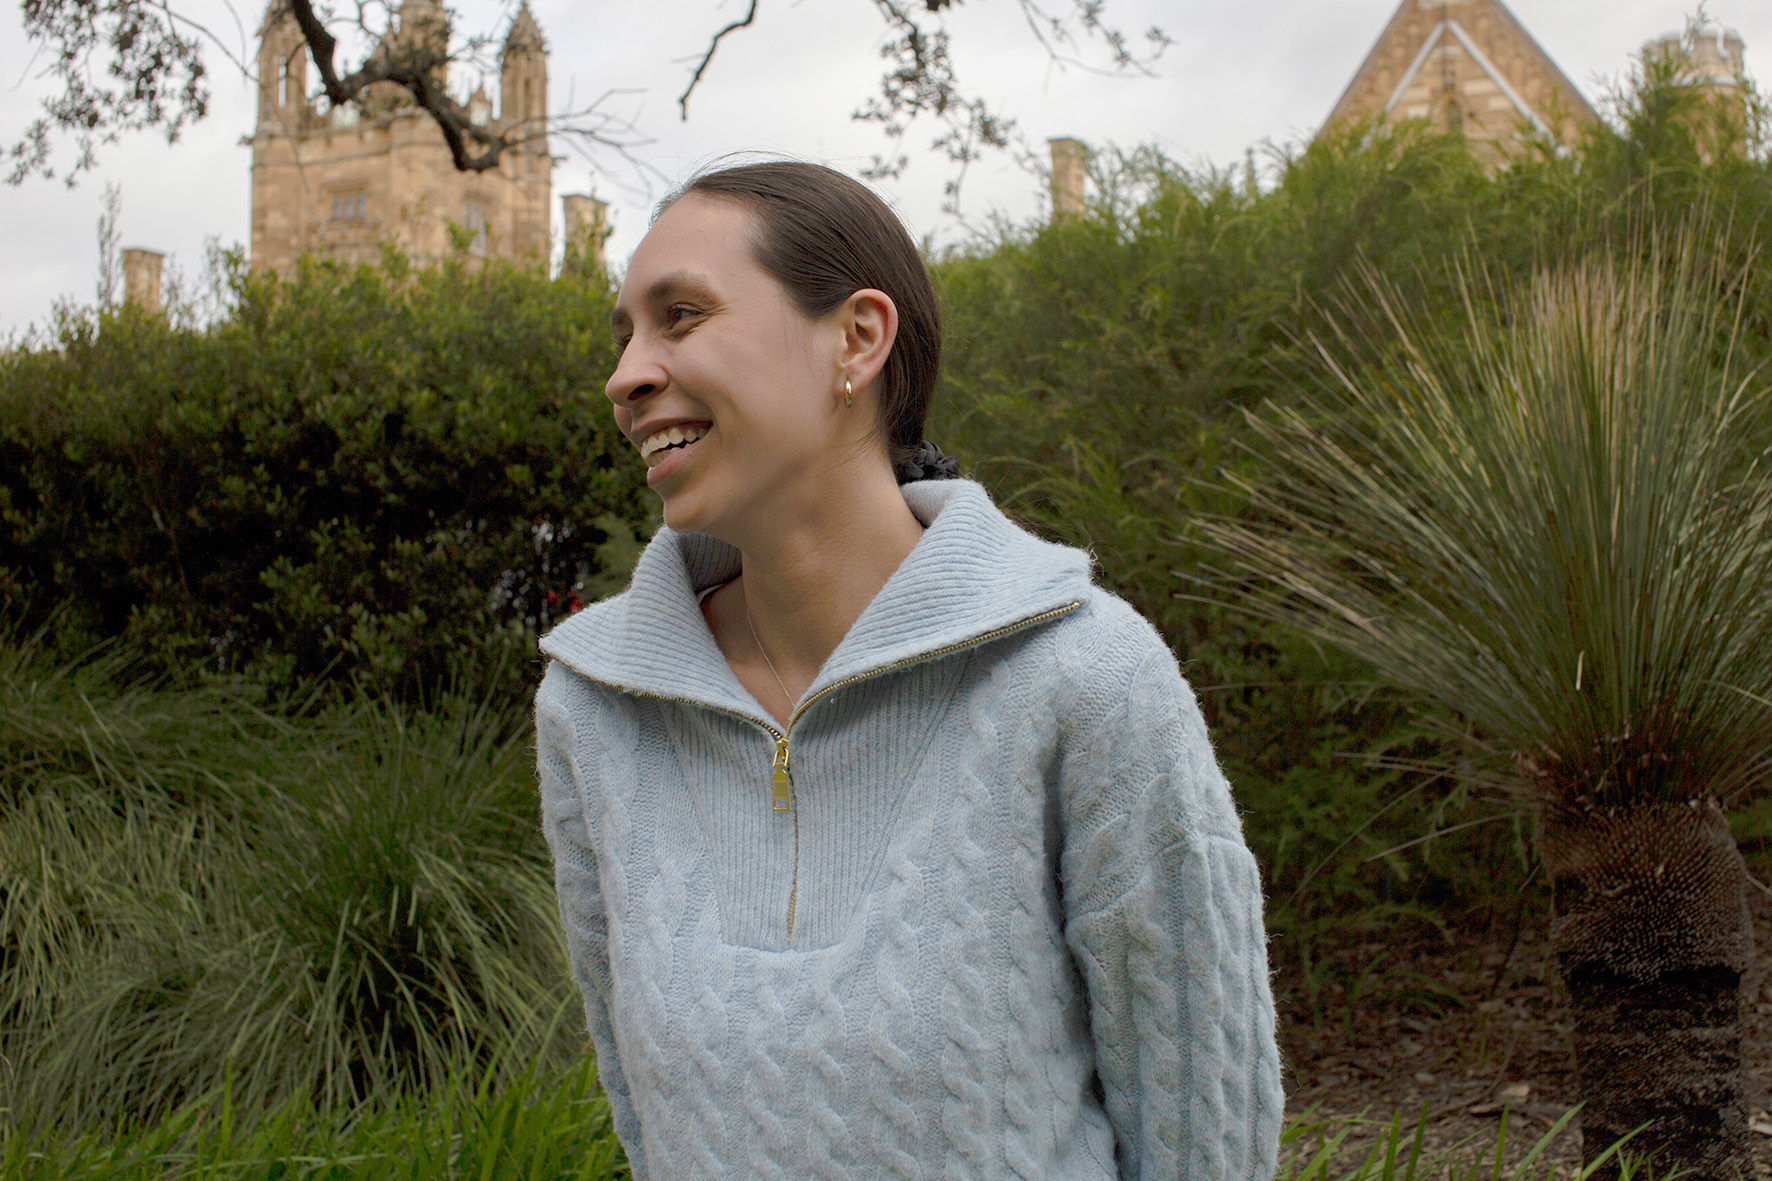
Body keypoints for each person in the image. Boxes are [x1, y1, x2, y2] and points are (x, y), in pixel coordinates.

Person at [534, 159, 1282, 1179]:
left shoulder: (1083, 676)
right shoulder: (593, 709)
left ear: (857, 338)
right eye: (624, 334)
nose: (625, 376)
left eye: (681, 315)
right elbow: (644, 1113)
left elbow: (1204, 1137)